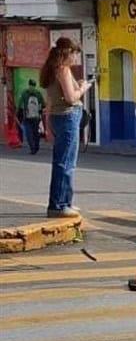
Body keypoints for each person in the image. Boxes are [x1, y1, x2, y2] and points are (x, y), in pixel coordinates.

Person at [40, 37, 89, 218]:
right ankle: (59, 205)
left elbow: (50, 101)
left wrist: (47, 124)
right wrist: (83, 87)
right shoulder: (63, 70)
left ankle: (63, 202)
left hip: (57, 118)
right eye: (75, 54)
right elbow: (70, 97)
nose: (76, 59)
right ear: (68, 53)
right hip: (68, 116)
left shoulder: (51, 69)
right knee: (66, 163)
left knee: (61, 161)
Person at [18, 79, 45, 154]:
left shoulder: (24, 93)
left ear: (29, 84)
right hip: (36, 117)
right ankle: (36, 146)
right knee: (36, 132)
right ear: (35, 85)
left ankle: (32, 148)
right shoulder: (38, 93)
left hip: (27, 116)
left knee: (28, 133)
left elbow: (20, 104)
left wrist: (18, 113)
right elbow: (43, 104)